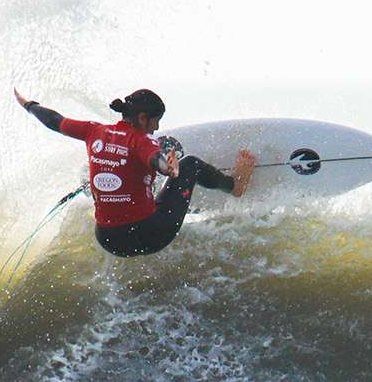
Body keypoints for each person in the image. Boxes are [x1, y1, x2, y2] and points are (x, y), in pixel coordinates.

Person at [13, 87, 255, 257]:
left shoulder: (93, 131)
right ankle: (236, 186)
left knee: (117, 173)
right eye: (155, 121)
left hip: (107, 239)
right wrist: (169, 167)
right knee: (190, 164)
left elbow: (54, 120)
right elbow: (155, 159)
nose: (157, 127)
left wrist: (29, 105)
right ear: (142, 118)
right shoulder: (142, 141)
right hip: (148, 236)